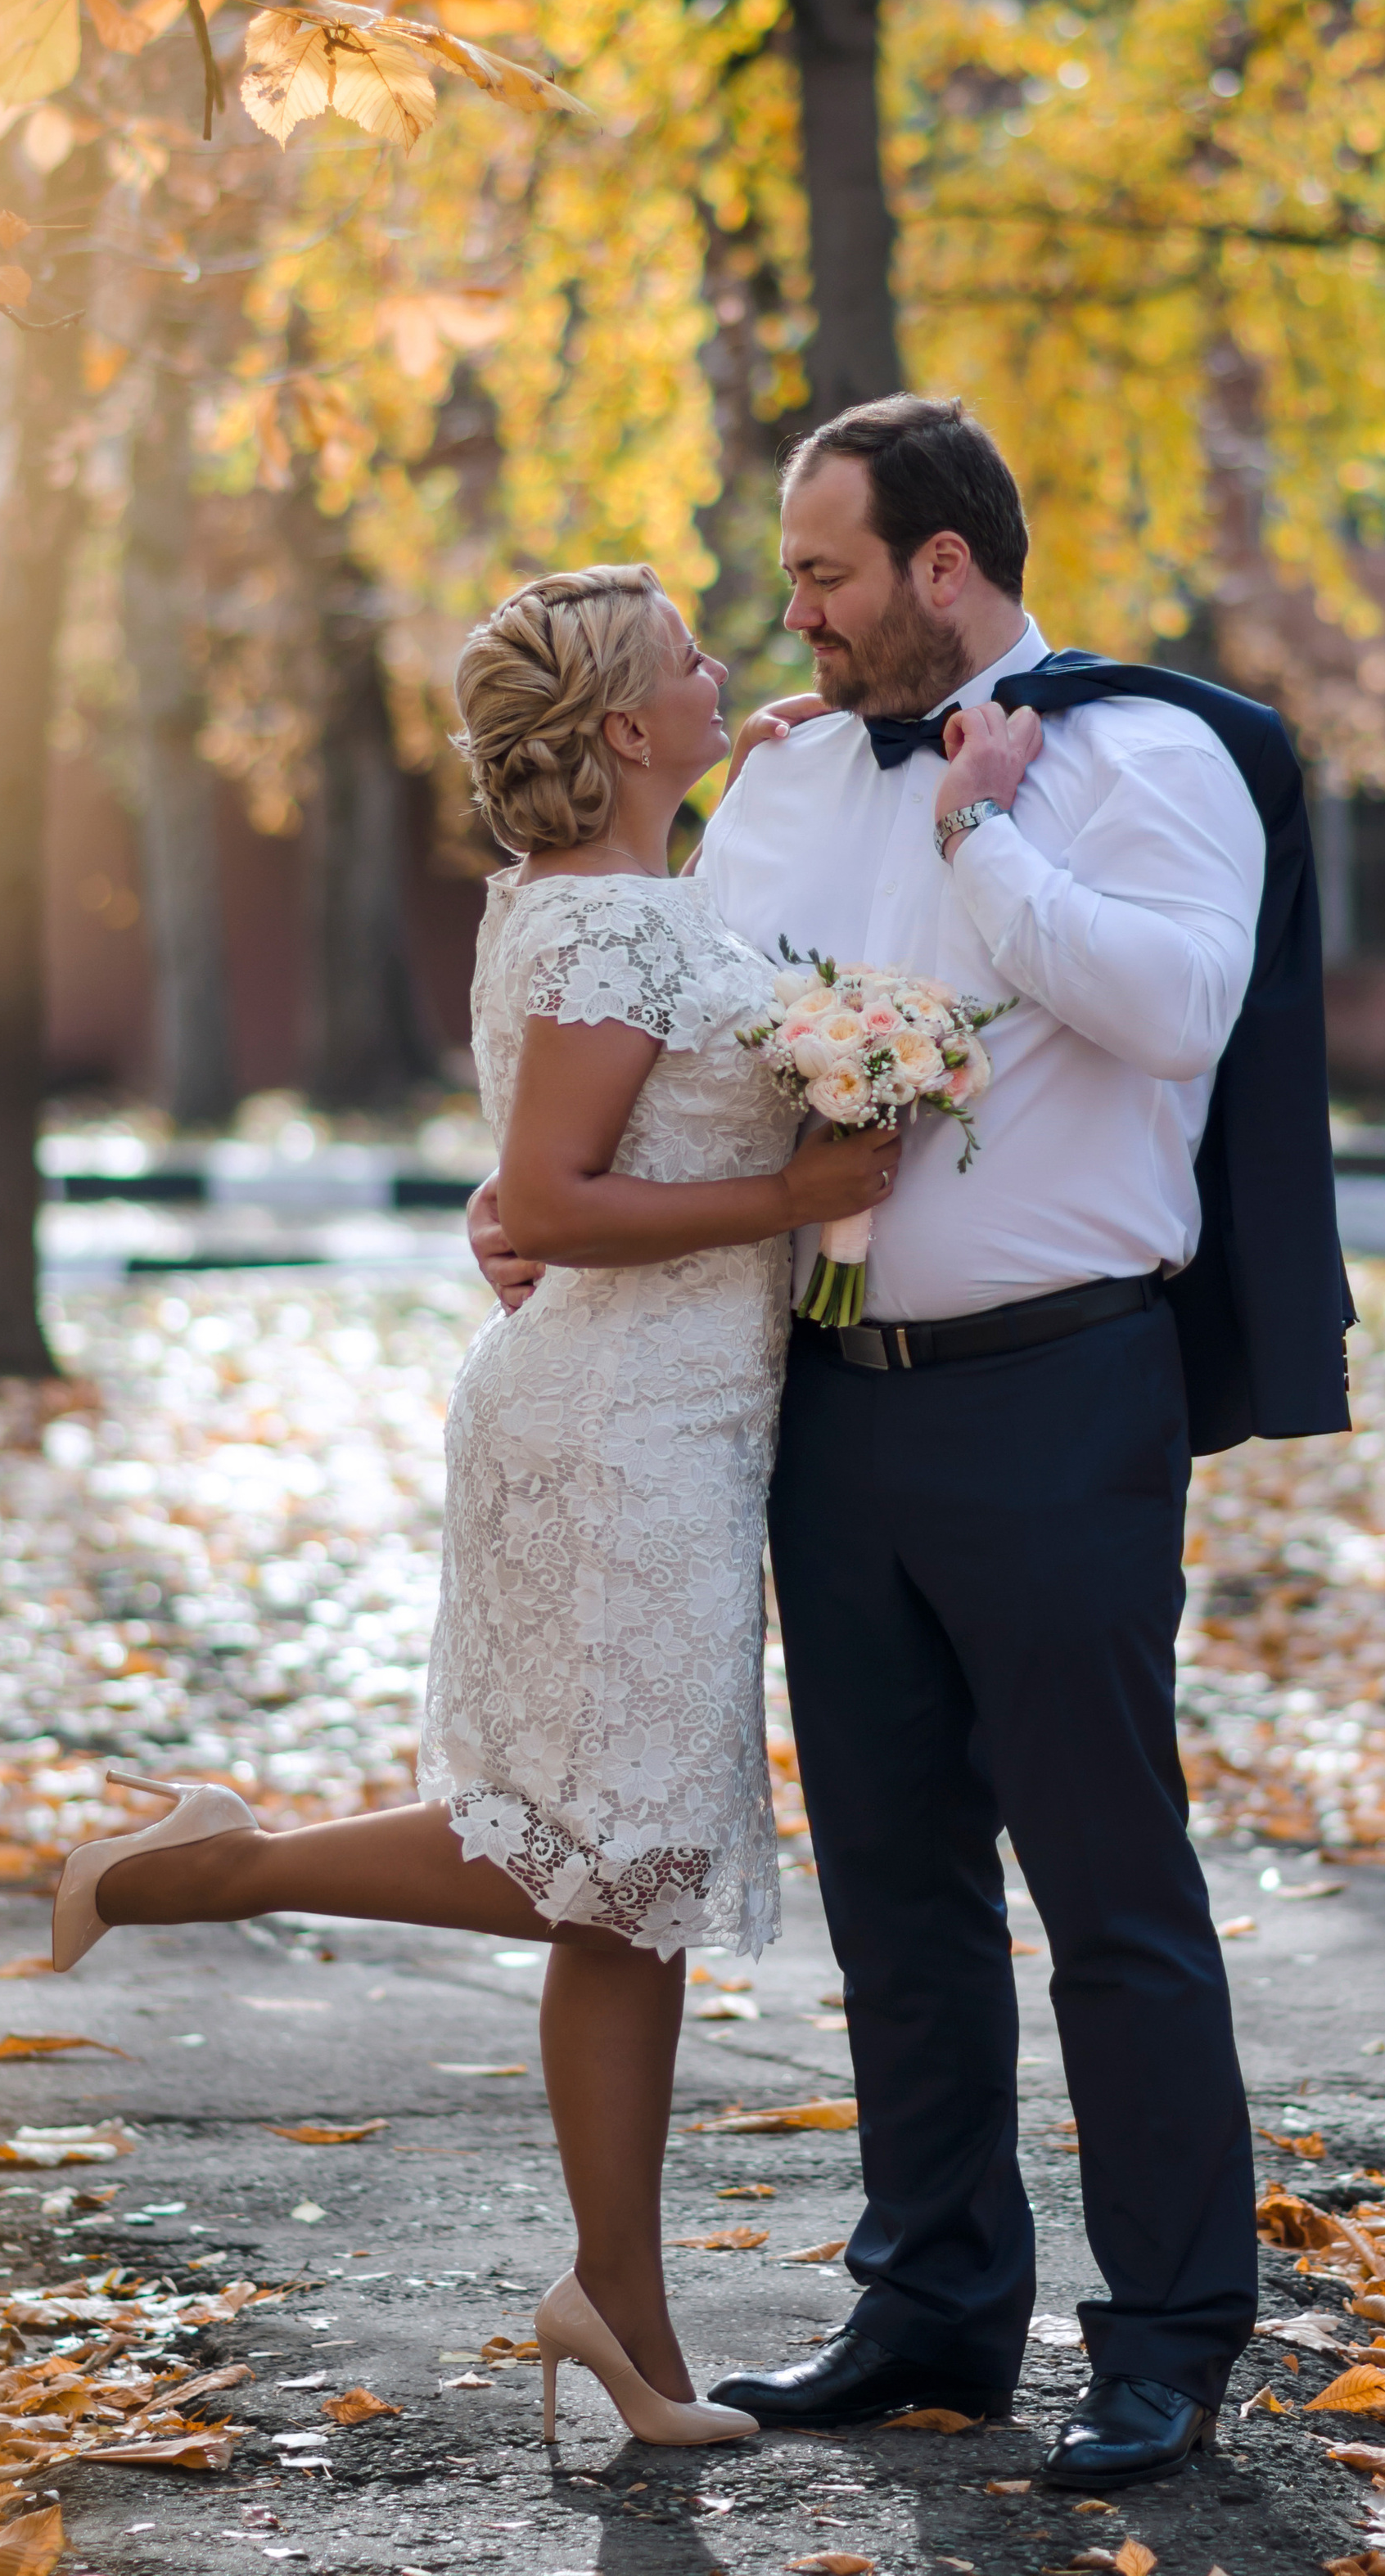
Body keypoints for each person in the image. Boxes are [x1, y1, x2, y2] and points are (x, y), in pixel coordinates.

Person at [471, 398, 1349, 2489]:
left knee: (1108, 1885)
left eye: (827, 575)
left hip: (1058, 1390)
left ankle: (1162, 2334)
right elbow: (674, 1042)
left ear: (941, 566)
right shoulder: (774, 784)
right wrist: (529, 1194)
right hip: (823, 1411)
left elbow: (1172, 1011)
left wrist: (981, 829)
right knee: (898, 1890)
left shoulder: (1157, 757)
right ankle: (934, 2296)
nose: (796, 617)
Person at [48, 562, 899, 2456]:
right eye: (688, 657)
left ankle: (617, 2307)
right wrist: (790, 1195)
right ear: (616, 731)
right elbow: (552, 1199)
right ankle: (219, 1862)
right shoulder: (600, 933)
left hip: (671, 1420)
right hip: (612, 1432)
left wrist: (763, 765)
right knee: (599, 1855)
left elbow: (585, 1137)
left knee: (633, 1883)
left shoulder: (620, 901)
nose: (720, 663)